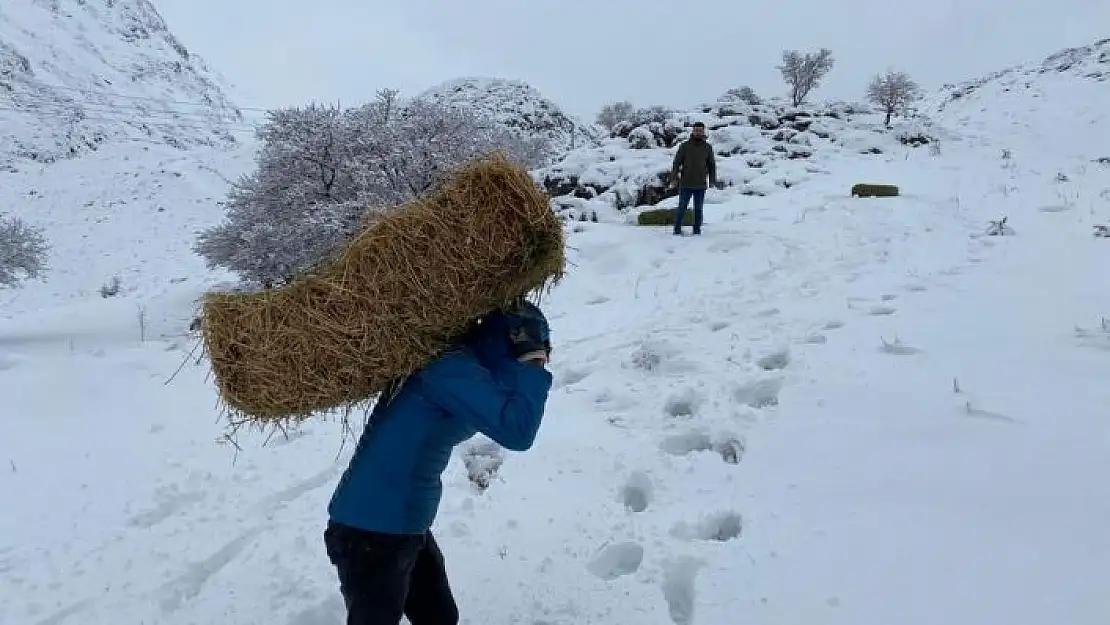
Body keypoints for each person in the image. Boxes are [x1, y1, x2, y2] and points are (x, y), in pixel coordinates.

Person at [323, 299, 553, 625]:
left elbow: (505, 402)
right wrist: (532, 366)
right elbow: (518, 431)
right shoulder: (449, 369)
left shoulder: (464, 366)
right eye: (533, 348)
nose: (539, 358)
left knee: (440, 617)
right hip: (370, 531)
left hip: (403, 524)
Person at [669, 121, 717, 236]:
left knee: (698, 209)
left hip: (700, 184)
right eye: (696, 130)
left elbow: (711, 165)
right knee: (682, 208)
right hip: (686, 183)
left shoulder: (707, 147)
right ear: (692, 131)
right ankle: (677, 230)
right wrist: (674, 178)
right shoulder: (685, 146)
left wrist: (712, 180)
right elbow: (676, 163)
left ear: (703, 132)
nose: (698, 132)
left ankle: (696, 230)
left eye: (700, 130)